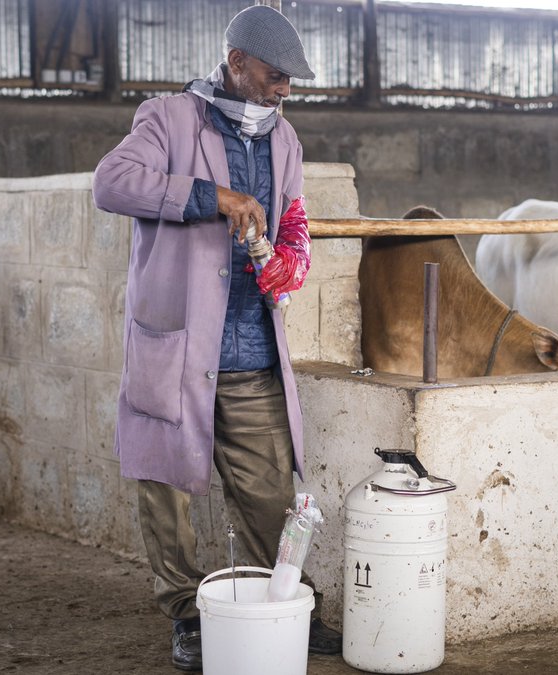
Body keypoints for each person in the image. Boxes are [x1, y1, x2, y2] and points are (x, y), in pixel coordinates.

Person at [91, 5, 340, 671]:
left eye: (292, 78)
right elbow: (111, 183)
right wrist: (214, 197)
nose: (285, 88)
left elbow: (290, 222)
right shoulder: (169, 119)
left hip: (254, 348)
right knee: (163, 488)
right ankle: (184, 613)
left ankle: (282, 601)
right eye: (275, 73)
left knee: (267, 495)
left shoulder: (285, 141)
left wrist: (284, 250)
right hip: (177, 349)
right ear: (236, 65)